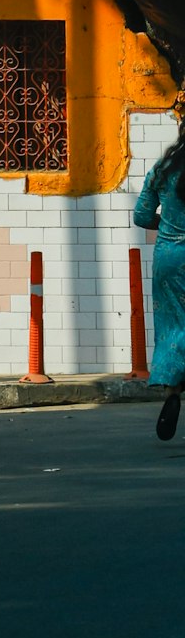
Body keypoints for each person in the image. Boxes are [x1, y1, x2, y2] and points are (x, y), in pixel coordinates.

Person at [133, 118, 185, 440]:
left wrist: (166, 225)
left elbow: (140, 215)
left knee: (172, 325)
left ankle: (171, 392)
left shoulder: (164, 166)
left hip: (168, 257)